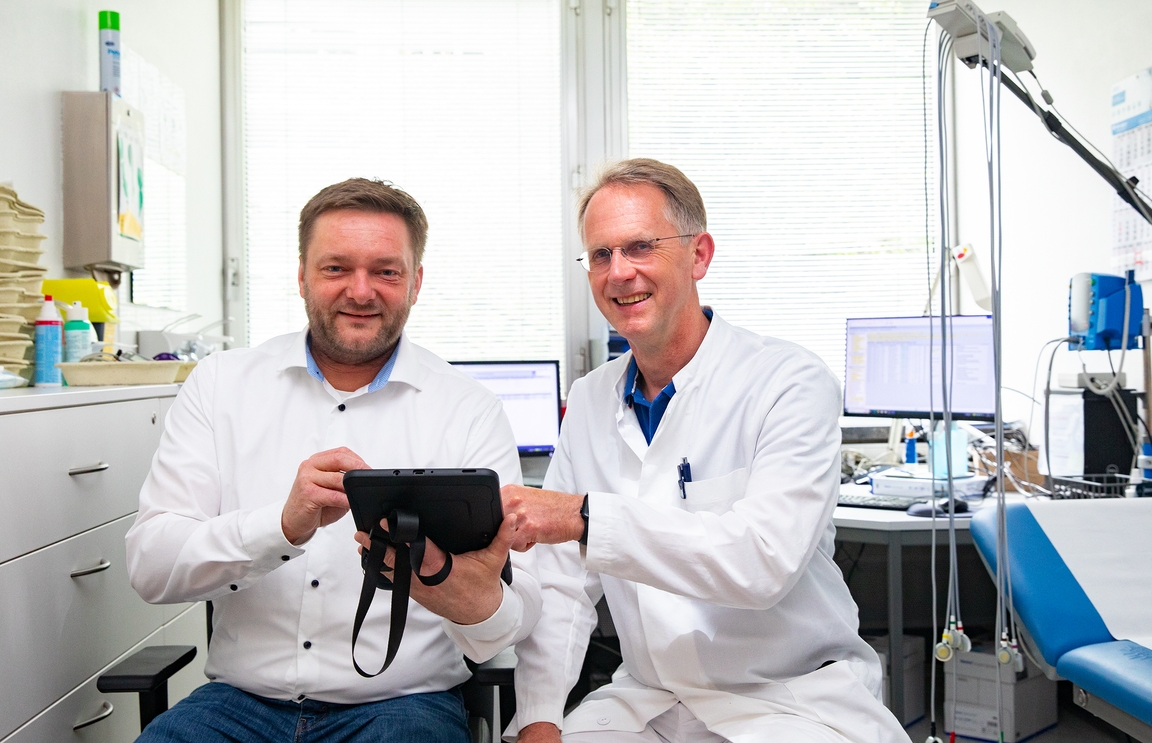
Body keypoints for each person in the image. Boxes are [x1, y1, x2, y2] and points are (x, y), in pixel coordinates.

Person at [501, 159, 907, 743]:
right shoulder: (589, 401)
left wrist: (583, 516)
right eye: (600, 255)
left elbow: (761, 562)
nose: (619, 273)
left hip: (788, 700)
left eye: (640, 247)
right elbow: (563, 585)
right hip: (650, 699)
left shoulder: (788, 382)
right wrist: (539, 717)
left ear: (699, 255)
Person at [126, 178, 540, 743]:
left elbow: (515, 617)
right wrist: (279, 526)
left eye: (387, 272)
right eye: (336, 268)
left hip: (401, 706)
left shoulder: (469, 410)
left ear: (416, 282)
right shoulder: (220, 386)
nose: (361, 291)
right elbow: (150, 568)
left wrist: (467, 595)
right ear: (301, 276)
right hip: (238, 704)